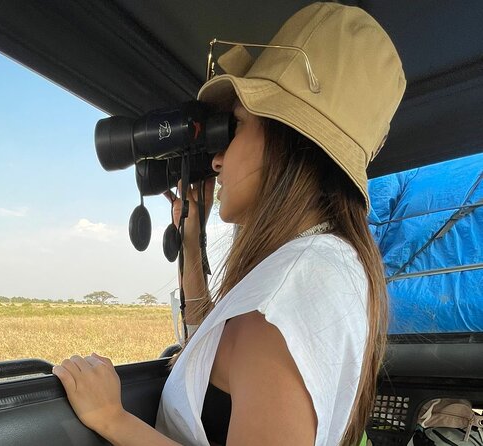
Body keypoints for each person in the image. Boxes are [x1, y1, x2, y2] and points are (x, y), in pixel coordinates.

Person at [52, 2, 405, 445]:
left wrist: (111, 418)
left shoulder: (292, 290)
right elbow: (218, 360)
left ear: (287, 141)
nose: (217, 159)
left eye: (236, 126)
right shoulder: (319, 266)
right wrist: (192, 247)